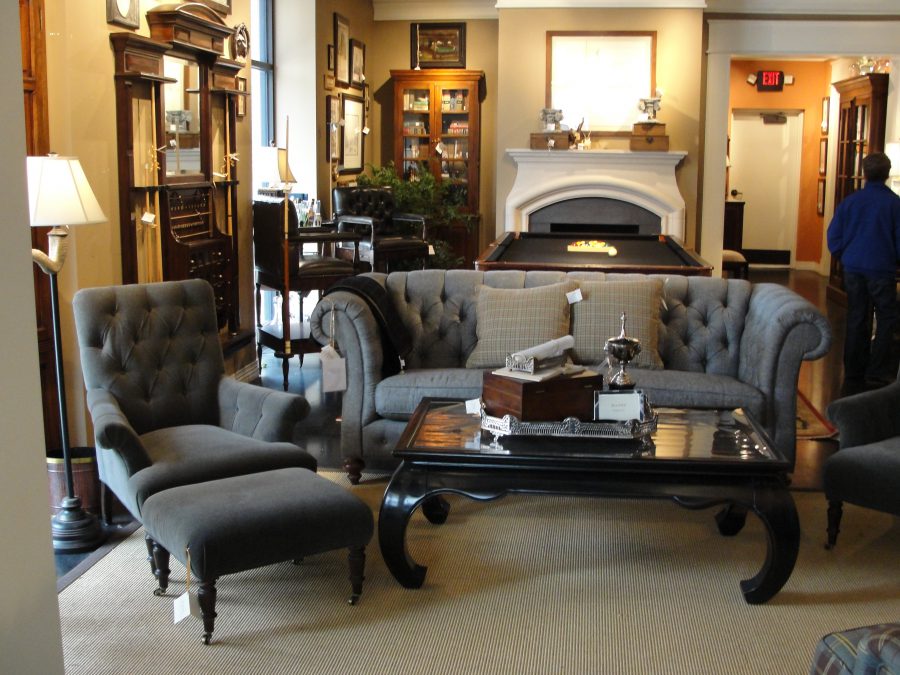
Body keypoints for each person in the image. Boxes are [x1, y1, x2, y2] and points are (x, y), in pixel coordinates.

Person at [827, 151, 900, 393]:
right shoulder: (895, 204)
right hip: (882, 268)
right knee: (887, 318)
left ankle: (854, 370)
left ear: (864, 173)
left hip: (854, 267)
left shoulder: (851, 202)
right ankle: (878, 371)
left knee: (857, 316)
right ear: (887, 174)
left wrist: (844, 255)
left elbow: (834, 236)